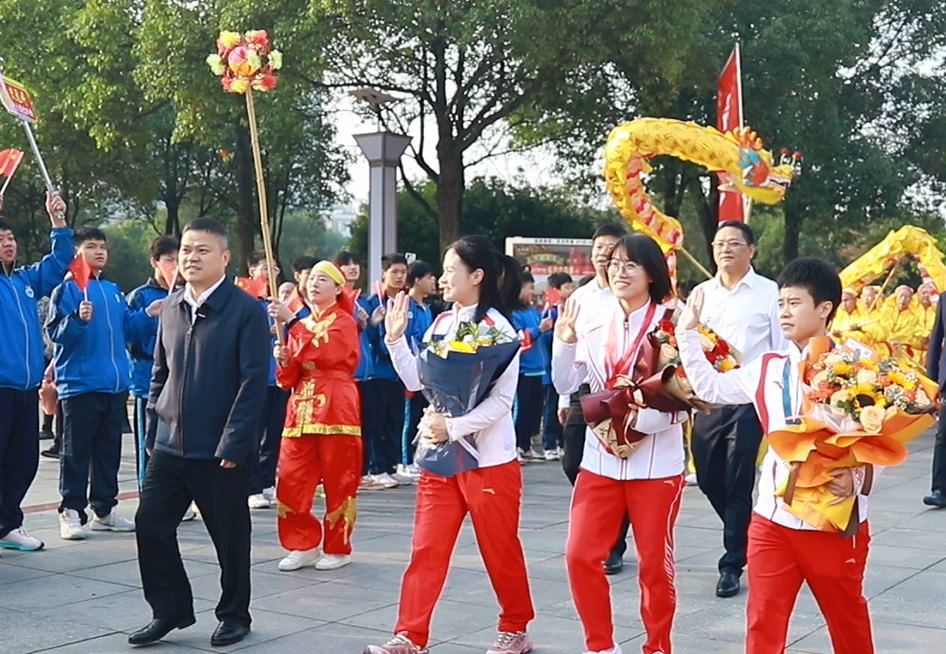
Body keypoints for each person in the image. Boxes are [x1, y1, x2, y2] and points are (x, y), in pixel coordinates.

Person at [678, 258, 875, 654]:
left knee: (846, 619)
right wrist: (686, 334)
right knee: (763, 620)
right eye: (781, 303)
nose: (784, 312)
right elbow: (711, 389)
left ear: (824, 309)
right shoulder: (769, 367)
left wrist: (856, 480)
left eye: (794, 303)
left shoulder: (861, 365)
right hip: (773, 519)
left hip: (833, 520)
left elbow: (879, 435)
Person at [364, 236, 535, 654]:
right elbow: (418, 383)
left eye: (449, 270)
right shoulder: (442, 324)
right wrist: (394, 339)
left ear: (476, 276)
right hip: (441, 461)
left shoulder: (500, 329)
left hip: (489, 461)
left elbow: (500, 403)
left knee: (500, 549)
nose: (441, 279)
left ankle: (515, 628)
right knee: (427, 547)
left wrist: (453, 426)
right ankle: (410, 634)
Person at [130, 218, 268, 648]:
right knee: (150, 524)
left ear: (224, 258)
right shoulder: (171, 307)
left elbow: (252, 383)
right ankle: (169, 609)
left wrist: (235, 441)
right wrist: (154, 428)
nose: (191, 257)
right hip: (170, 445)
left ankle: (234, 614)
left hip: (220, 449)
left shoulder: (245, 310)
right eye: (186, 249)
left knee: (229, 536)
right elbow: (160, 373)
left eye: (202, 250)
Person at [553, 233, 687, 654]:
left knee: (653, 566)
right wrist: (565, 339)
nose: (620, 271)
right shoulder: (592, 319)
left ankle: (657, 646)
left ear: (651, 273)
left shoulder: (674, 322)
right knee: (578, 556)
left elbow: (693, 393)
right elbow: (565, 382)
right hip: (601, 458)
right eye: (614, 263)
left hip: (657, 463)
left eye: (631, 264)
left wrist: (653, 419)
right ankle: (601, 646)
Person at [688, 220, 787, 598]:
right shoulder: (700, 294)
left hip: (749, 399)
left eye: (734, 243)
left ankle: (731, 563)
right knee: (710, 475)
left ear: (751, 250)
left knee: (738, 475)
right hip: (709, 398)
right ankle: (744, 531)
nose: (725, 249)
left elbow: (780, 348)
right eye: (719, 243)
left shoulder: (769, 293)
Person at [47, 226, 161, 541]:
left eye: (102, 247)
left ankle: (105, 509)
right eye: (92, 247)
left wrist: (149, 314)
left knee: (108, 451)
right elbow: (56, 335)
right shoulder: (68, 289)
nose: (99, 252)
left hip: (114, 386)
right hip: (80, 385)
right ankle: (70, 510)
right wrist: (77, 320)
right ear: (78, 253)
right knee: (76, 452)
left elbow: (129, 329)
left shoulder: (112, 290)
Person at [272, 261, 362, 572]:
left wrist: (294, 324)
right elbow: (286, 379)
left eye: (324, 279)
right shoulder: (301, 324)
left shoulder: (344, 322)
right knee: (292, 479)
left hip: (337, 406)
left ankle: (338, 547)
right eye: (311, 278)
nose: (314, 283)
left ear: (339, 288)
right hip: (301, 408)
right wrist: (283, 358)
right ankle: (302, 543)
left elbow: (328, 353)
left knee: (340, 480)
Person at [558, 222, 631, 574]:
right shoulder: (580, 297)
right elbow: (565, 344)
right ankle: (613, 516)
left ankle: (613, 544)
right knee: (573, 460)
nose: (604, 253)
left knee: (617, 462)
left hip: (618, 389)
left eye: (612, 247)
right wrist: (562, 396)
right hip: (582, 388)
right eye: (599, 247)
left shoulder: (628, 294)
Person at [0, 192, 70, 553]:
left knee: (23, 461)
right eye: (0, 240)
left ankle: (7, 525)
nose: (7, 244)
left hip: (25, 388)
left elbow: (60, 262)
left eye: (10, 238)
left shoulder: (25, 281)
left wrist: (57, 221)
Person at [127, 235, 179, 489]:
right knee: (148, 441)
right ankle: (147, 491)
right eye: (169, 260)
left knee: (175, 441)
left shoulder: (186, 295)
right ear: (155, 262)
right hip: (147, 378)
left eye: (179, 260)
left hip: (178, 380)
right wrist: (149, 316)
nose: (175, 266)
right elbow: (129, 335)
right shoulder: (140, 296)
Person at [335, 251, 387, 491]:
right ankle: (351, 471)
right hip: (348, 375)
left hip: (368, 372)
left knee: (369, 423)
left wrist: (374, 324)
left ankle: (363, 470)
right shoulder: (336, 300)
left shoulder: (363, 299)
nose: (353, 268)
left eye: (356, 264)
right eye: (347, 264)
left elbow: (371, 337)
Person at [244, 251, 292, 510]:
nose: (270, 272)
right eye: (264, 267)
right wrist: (266, 330)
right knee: (255, 434)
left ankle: (266, 481)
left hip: (279, 377)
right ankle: (251, 486)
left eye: (274, 268)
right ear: (252, 272)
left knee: (274, 433)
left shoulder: (278, 304)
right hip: (257, 377)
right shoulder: (248, 302)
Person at [362, 253, 412, 487]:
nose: (400, 276)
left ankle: (392, 465)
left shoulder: (406, 301)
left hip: (399, 370)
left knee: (395, 419)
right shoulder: (374, 302)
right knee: (377, 421)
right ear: (384, 273)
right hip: (379, 371)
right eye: (395, 272)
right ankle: (377, 467)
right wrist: (374, 324)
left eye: (403, 272)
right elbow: (369, 335)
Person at [398, 260, 436, 479]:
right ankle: (405, 460)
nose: (433, 282)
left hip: (429, 369)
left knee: (422, 414)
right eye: (429, 277)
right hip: (412, 368)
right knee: (409, 415)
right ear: (418, 280)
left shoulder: (427, 309)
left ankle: (417, 456)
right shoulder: (408, 307)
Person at [511, 272, 553, 459]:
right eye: (529, 287)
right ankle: (514, 447)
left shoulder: (533, 311)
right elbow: (520, 339)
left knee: (534, 412)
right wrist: (539, 329)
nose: (532, 291)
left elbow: (542, 337)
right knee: (520, 410)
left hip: (539, 368)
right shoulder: (512, 312)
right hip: (523, 369)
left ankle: (526, 445)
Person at [539, 272, 574, 461]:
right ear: (556, 290)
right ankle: (549, 444)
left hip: (567, 366)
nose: (571, 290)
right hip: (552, 367)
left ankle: (561, 442)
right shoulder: (551, 312)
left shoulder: (568, 309)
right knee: (552, 407)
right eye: (567, 287)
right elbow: (545, 339)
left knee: (564, 407)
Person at [924, 286, 946, 508]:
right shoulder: (945, 299)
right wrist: (931, 382)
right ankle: (939, 489)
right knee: (943, 435)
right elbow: (936, 339)